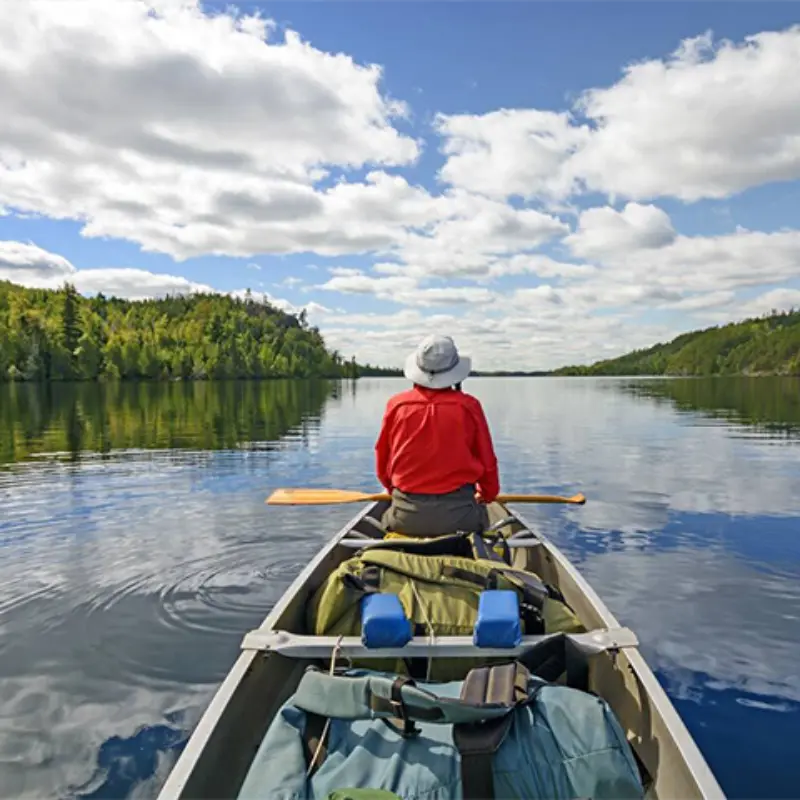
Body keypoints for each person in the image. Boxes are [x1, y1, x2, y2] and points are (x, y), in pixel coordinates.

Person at [374, 334, 500, 537]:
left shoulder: (396, 405)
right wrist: (488, 494)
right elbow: (488, 463)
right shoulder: (469, 406)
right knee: (484, 520)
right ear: (455, 374)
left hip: (405, 517)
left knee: (386, 520)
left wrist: (392, 489)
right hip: (460, 520)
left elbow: (382, 459)